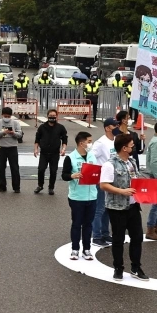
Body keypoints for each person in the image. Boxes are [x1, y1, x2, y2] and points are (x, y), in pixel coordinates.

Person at [99, 134, 148, 281]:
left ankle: (136, 267)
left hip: (133, 206)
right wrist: (122, 191)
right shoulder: (110, 164)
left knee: (137, 237)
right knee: (118, 239)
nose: (133, 147)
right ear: (124, 148)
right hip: (117, 208)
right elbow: (103, 185)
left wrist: (149, 186)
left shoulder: (131, 162)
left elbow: (137, 179)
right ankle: (118, 268)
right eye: (131, 145)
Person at [64, 131, 97, 260]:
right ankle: (75, 249)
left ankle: (87, 249)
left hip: (92, 195)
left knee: (88, 224)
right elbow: (64, 175)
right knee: (77, 223)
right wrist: (73, 176)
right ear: (81, 143)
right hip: (77, 196)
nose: (90, 144)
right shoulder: (71, 157)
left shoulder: (92, 156)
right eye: (89, 141)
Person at [91, 118, 118, 247]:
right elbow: (90, 157)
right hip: (102, 180)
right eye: (114, 126)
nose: (117, 127)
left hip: (112, 179)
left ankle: (105, 234)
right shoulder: (101, 142)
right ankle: (96, 236)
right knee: (99, 208)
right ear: (107, 128)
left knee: (107, 208)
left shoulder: (116, 141)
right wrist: (100, 170)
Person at [34, 108, 67, 195]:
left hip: (55, 153)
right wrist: (36, 149)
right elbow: (37, 139)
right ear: (47, 116)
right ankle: (40, 185)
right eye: (50, 116)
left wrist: (63, 149)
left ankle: (51, 187)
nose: (52, 117)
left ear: (56, 117)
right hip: (44, 153)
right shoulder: (42, 127)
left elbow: (64, 140)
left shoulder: (60, 128)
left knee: (53, 171)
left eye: (54, 116)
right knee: (41, 169)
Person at [0, 106, 23, 193]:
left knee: (15, 168)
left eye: (8, 116)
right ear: (2, 115)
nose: (7, 118)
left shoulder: (15, 123)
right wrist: (3, 132)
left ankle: (16, 187)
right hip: (1, 147)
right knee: (1, 168)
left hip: (12, 147)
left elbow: (20, 134)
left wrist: (13, 133)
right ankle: (2, 186)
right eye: (5, 116)